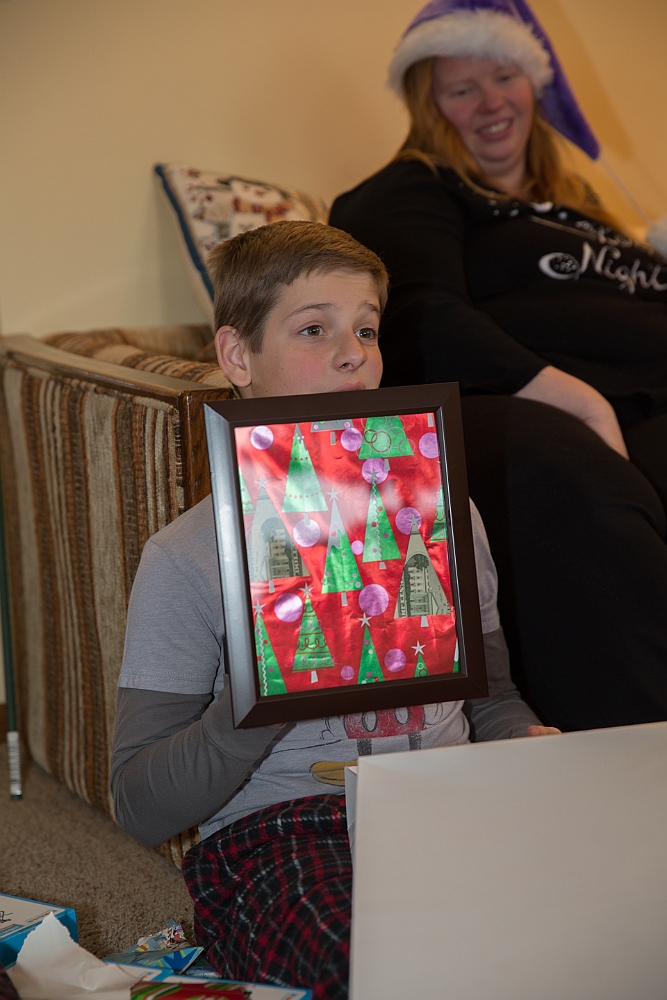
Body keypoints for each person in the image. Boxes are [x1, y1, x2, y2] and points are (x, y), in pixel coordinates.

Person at [111, 220, 556, 1000]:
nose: (354, 353)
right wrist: (266, 688)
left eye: (367, 329)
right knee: (385, 965)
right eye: (314, 329)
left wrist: (522, 741)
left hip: (451, 802)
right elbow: (139, 806)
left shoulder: (445, 514)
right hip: (283, 830)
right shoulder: (185, 557)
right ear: (237, 357)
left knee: (576, 931)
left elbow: (489, 696)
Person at [329, 0, 667, 734]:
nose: (490, 102)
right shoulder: (412, 187)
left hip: (644, 399)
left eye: (504, 77)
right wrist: (578, 401)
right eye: (461, 89)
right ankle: (637, 751)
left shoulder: (580, 211)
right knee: (567, 473)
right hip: (518, 405)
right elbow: (419, 313)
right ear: (429, 107)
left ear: (534, 86)